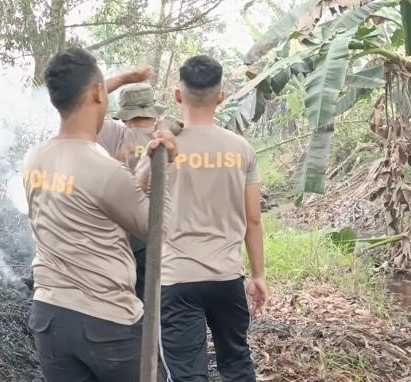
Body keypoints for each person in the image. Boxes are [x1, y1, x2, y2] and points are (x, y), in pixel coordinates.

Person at [23, 47, 178, 382]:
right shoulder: (103, 168)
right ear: (97, 92)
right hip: (106, 324)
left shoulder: (34, 159)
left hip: (49, 319)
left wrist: (147, 165)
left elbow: (102, 201)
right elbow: (156, 230)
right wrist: (168, 168)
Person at [159, 55, 267, 382]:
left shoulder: (163, 148)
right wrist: (258, 276)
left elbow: (136, 196)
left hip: (177, 279)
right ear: (221, 96)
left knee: (187, 375)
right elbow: (253, 220)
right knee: (236, 364)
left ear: (178, 96)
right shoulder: (241, 149)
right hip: (227, 278)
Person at [96, 81, 167, 301]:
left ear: (125, 116)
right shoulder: (168, 137)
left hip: (121, 234)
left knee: (125, 299)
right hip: (161, 230)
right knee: (156, 301)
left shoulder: (113, 133)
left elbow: (84, 100)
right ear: (153, 114)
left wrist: (126, 77)